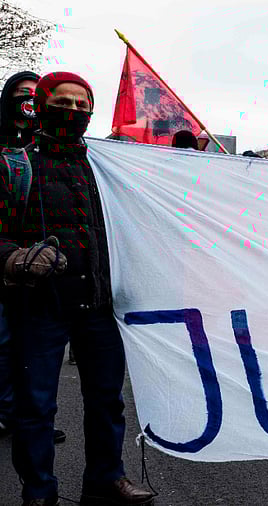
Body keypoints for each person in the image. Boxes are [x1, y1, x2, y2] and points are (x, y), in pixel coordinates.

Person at [0, 72, 154, 506]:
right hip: (38, 308)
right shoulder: (15, 166)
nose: (72, 110)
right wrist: (15, 257)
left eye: (81, 103)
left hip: (100, 306)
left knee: (107, 402)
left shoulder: (107, 169)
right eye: (62, 101)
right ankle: (39, 493)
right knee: (36, 409)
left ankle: (106, 480)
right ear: (42, 105)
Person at [0, 72, 66, 446]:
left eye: (34, 94)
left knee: (35, 348)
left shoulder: (50, 150)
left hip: (42, 265)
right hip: (7, 261)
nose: (27, 100)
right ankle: (7, 411)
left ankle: (34, 417)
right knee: (5, 341)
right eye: (21, 94)